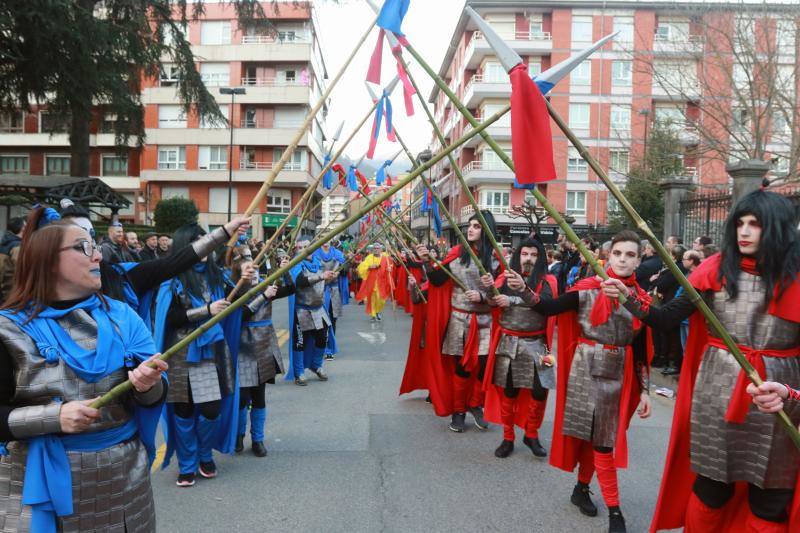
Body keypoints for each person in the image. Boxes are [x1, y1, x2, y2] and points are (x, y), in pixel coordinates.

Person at [618, 191, 800, 532]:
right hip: (717, 391)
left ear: (777, 227)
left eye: (755, 224)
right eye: (739, 223)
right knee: (712, 488)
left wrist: (793, 395)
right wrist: (627, 296)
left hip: (779, 398)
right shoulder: (714, 268)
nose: (744, 231)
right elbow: (665, 319)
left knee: (771, 498)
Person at [0, 207, 167, 531]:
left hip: (126, 483)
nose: (98, 256)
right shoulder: (7, 329)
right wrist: (53, 418)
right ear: (48, 261)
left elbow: (151, 398)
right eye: (83, 247)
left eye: (95, 246)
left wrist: (148, 386)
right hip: (37, 483)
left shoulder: (123, 317)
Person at [530, 230, 653, 533]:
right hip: (584, 370)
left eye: (630, 255)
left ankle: (582, 488)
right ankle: (614, 512)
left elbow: (640, 349)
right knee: (595, 438)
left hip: (620, 374)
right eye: (618, 253)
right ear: (608, 256)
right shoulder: (587, 289)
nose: (622, 260)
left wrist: (646, 390)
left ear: (639, 261)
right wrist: (524, 291)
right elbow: (548, 308)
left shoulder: (640, 300)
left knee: (603, 440)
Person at [153, 223, 244, 487]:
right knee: (183, 411)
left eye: (205, 240)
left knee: (211, 411)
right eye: (197, 241)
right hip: (180, 355)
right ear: (185, 246)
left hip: (209, 355)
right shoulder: (172, 280)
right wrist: (206, 310)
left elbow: (238, 301)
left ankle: (205, 454)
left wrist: (246, 279)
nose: (204, 246)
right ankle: (187, 463)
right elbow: (169, 318)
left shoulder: (217, 276)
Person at [58, 200, 249, 319]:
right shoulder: (39, 316)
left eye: (92, 239)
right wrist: (205, 310)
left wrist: (224, 232)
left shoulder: (123, 277)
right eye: (80, 244)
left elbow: (173, 263)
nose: (96, 254)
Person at [415, 211, 502, 433]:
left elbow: (502, 295)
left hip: (485, 321)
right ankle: (459, 410)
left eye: (477, 226)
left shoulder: (497, 260)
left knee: (484, 366)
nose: (470, 229)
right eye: (469, 225)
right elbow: (436, 280)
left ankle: (475, 403)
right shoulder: (457, 253)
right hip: (458, 320)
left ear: (487, 230)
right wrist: (426, 262)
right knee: (462, 367)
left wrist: (483, 296)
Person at [481, 236, 557, 459]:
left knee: (540, 390)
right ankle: (508, 437)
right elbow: (492, 301)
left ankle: (531, 434)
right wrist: (489, 289)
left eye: (534, 255)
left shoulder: (548, 280)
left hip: (539, 343)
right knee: (509, 391)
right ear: (518, 256)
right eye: (525, 254)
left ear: (540, 258)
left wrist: (513, 299)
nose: (528, 259)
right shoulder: (504, 277)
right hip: (509, 341)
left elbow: (545, 304)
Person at [230, 245, 293, 457]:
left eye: (255, 269)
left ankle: (257, 438)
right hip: (243, 347)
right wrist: (264, 296)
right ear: (239, 273)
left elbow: (290, 289)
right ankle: (238, 435)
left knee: (259, 396)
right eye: (248, 270)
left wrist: (285, 271)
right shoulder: (234, 292)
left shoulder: (267, 286)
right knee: (242, 397)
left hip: (264, 346)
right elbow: (241, 315)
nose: (254, 273)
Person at [286, 239, 336, 386]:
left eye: (306, 246)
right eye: (300, 247)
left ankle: (316, 365)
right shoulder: (296, 263)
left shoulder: (318, 262)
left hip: (319, 308)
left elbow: (321, 283)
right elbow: (300, 282)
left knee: (322, 338)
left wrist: (330, 277)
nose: (303, 249)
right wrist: (321, 276)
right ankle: (299, 373)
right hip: (302, 309)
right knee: (300, 342)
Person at [313, 240, 347, 360]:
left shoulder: (338, 254)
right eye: (323, 238)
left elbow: (345, 270)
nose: (325, 241)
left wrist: (339, 272)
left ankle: (330, 348)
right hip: (319, 290)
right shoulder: (314, 253)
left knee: (332, 320)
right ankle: (319, 347)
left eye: (328, 238)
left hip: (333, 290)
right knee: (319, 320)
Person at [356, 244, 392, 322]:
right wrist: (369, 267)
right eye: (375, 248)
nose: (376, 249)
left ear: (381, 250)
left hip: (381, 282)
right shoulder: (369, 257)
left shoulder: (385, 258)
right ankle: (373, 315)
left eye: (378, 248)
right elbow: (362, 267)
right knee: (371, 299)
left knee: (381, 299)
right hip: (371, 282)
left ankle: (378, 311)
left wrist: (389, 269)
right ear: (373, 250)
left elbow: (389, 266)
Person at [0, 216, 26, 300]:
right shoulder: (18, 247)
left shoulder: (4, 243)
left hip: (4, 292)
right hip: (12, 295)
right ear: (23, 228)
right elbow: (22, 271)